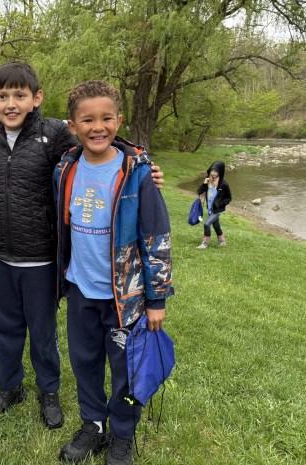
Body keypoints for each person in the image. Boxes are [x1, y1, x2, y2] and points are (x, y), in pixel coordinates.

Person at [0, 61, 164, 430]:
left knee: (42, 331)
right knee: (4, 328)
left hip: (41, 256)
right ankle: (11, 385)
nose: (11, 103)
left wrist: (141, 163)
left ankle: (49, 391)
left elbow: (98, 141)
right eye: (3, 96)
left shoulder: (54, 134)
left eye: (20, 95)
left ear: (37, 98)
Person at [54, 80, 174, 465]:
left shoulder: (136, 172)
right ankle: (94, 424)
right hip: (81, 290)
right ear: (73, 126)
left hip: (126, 298)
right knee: (85, 362)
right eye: (87, 120)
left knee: (124, 370)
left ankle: (122, 433)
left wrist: (156, 299)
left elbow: (156, 238)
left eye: (106, 118)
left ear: (119, 121)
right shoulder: (66, 168)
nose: (97, 126)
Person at [196, 161, 232, 249]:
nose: (213, 173)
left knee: (207, 224)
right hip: (210, 208)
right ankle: (222, 241)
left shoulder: (224, 184)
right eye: (212, 171)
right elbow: (199, 191)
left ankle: (205, 243)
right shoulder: (208, 181)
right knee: (216, 225)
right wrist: (204, 184)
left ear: (220, 172)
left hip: (217, 209)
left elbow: (229, 197)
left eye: (216, 171)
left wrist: (220, 204)